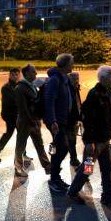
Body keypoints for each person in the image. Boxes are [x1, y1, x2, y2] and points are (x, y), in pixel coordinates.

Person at [67, 66, 111, 207]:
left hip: (105, 138)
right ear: (103, 78)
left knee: (107, 168)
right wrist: (89, 142)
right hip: (95, 141)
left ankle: (107, 196)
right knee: (88, 169)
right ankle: (73, 192)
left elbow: (110, 113)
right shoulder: (94, 95)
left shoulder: (109, 93)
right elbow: (88, 119)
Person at [44, 53, 75, 192]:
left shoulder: (65, 78)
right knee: (62, 148)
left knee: (61, 148)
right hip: (56, 121)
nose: (73, 64)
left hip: (64, 120)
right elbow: (49, 101)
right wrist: (52, 121)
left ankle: (55, 177)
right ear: (65, 64)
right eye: (72, 62)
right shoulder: (55, 80)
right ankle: (54, 179)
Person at [13, 64, 51, 176]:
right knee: (20, 146)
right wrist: (31, 120)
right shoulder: (20, 88)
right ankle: (18, 168)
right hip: (25, 122)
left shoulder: (32, 85)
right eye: (33, 72)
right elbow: (22, 108)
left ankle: (47, 166)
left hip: (34, 121)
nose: (36, 73)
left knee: (39, 144)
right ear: (27, 73)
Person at [0, 68, 20, 162]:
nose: (15, 76)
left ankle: (22, 153)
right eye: (13, 75)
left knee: (21, 133)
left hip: (18, 114)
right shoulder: (6, 87)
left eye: (17, 74)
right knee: (10, 133)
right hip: (9, 114)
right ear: (9, 75)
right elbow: (10, 101)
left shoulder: (20, 85)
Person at [67, 72, 82, 167]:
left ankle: (73, 158)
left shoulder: (75, 88)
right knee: (71, 140)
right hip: (69, 120)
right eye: (74, 79)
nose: (77, 80)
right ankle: (73, 159)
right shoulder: (69, 89)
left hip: (75, 119)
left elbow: (78, 104)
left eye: (77, 78)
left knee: (73, 140)